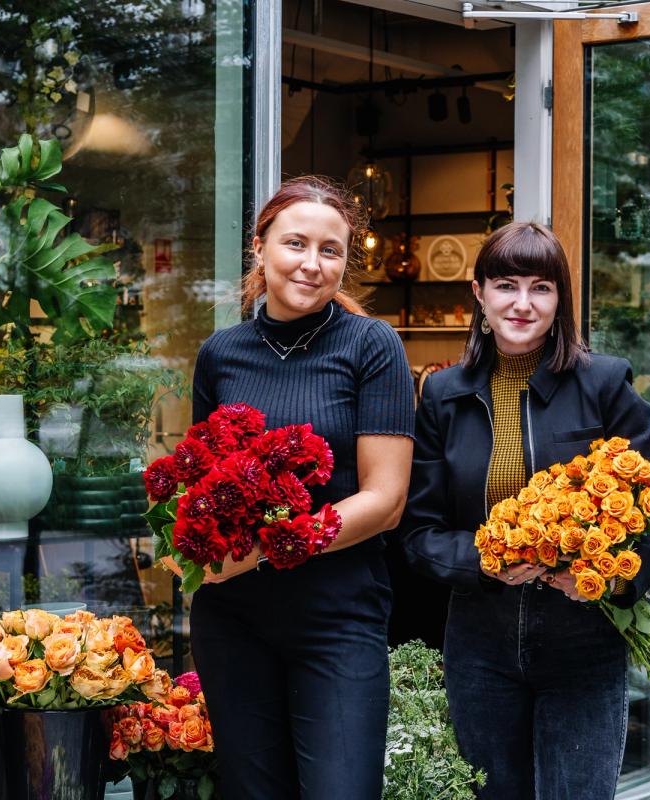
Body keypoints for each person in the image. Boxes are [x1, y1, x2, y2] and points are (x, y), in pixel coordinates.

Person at [398, 222, 650, 800]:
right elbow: (418, 533)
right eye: (506, 285)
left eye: (541, 288)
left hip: (583, 642)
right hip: (480, 643)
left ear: (561, 300)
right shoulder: (443, 395)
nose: (523, 304)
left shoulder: (603, 383)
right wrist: (484, 560)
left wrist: (604, 580)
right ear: (478, 294)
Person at [186, 176, 415, 799]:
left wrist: (266, 550)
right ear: (259, 249)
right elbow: (203, 482)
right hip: (233, 619)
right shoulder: (220, 353)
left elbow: (386, 501)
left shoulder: (373, 346)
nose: (313, 264)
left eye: (331, 250)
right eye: (295, 243)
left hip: (337, 616)